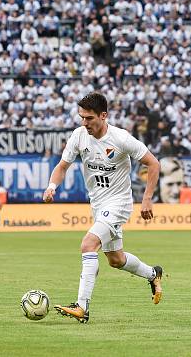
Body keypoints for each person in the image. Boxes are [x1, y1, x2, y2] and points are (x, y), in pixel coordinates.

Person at [44, 92, 163, 323]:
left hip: (118, 203)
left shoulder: (121, 138)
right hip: (98, 204)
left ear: (103, 115)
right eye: (81, 117)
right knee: (115, 260)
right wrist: (51, 187)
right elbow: (62, 166)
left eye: (89, 118)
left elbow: (153, 163)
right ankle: (153, 274)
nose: (84, 123)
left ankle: (81, 306)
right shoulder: (79, 136)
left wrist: (147, 199)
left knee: (88, 244)